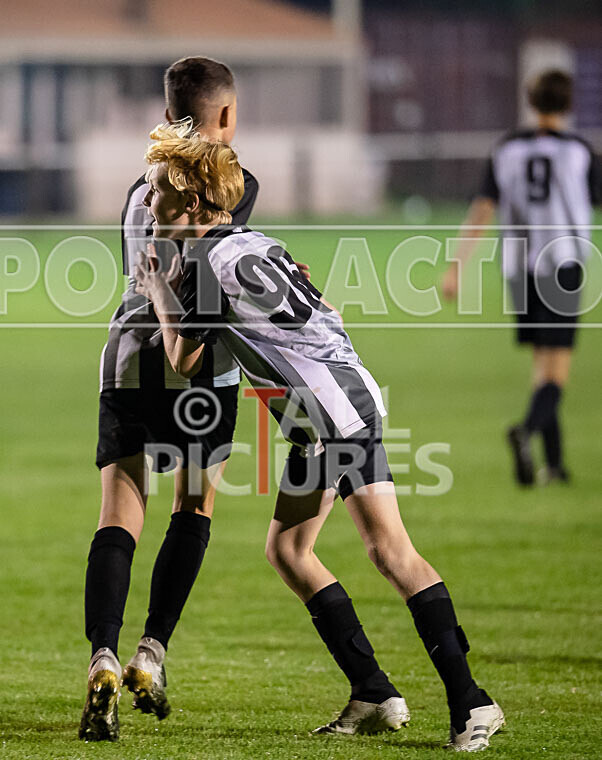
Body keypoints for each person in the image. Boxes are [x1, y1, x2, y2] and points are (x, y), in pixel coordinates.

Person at [134, 121, 504, 752]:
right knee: (292, 550)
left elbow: (183, 361)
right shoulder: (256, 243)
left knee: (388, 553)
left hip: (329, 415)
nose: (147, 200)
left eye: (157, 190)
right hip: (342, 402)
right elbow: (327, 310)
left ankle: (472, 701)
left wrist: (160, 290)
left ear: (191, 202)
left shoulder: (200, 268)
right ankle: (374, 692)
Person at [80, 57, 259, 742]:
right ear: (226, 115)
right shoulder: (228, 183)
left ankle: (101, 657)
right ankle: (150, 654)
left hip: (127, 353)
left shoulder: (141, 185)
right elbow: (225, 266)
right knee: (192, 505)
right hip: (197, 362)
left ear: (167, 111)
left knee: (119, 512)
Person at [441, 70, 599, 487]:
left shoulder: (507, 149)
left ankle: (555, 466)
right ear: (569, 103)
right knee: (557, 372)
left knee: (542, 366)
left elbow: (482, 209)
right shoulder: (579, 151)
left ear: (531, 102)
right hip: (563, 265)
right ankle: (526, 432)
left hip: (519, 268)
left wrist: (456, 266)